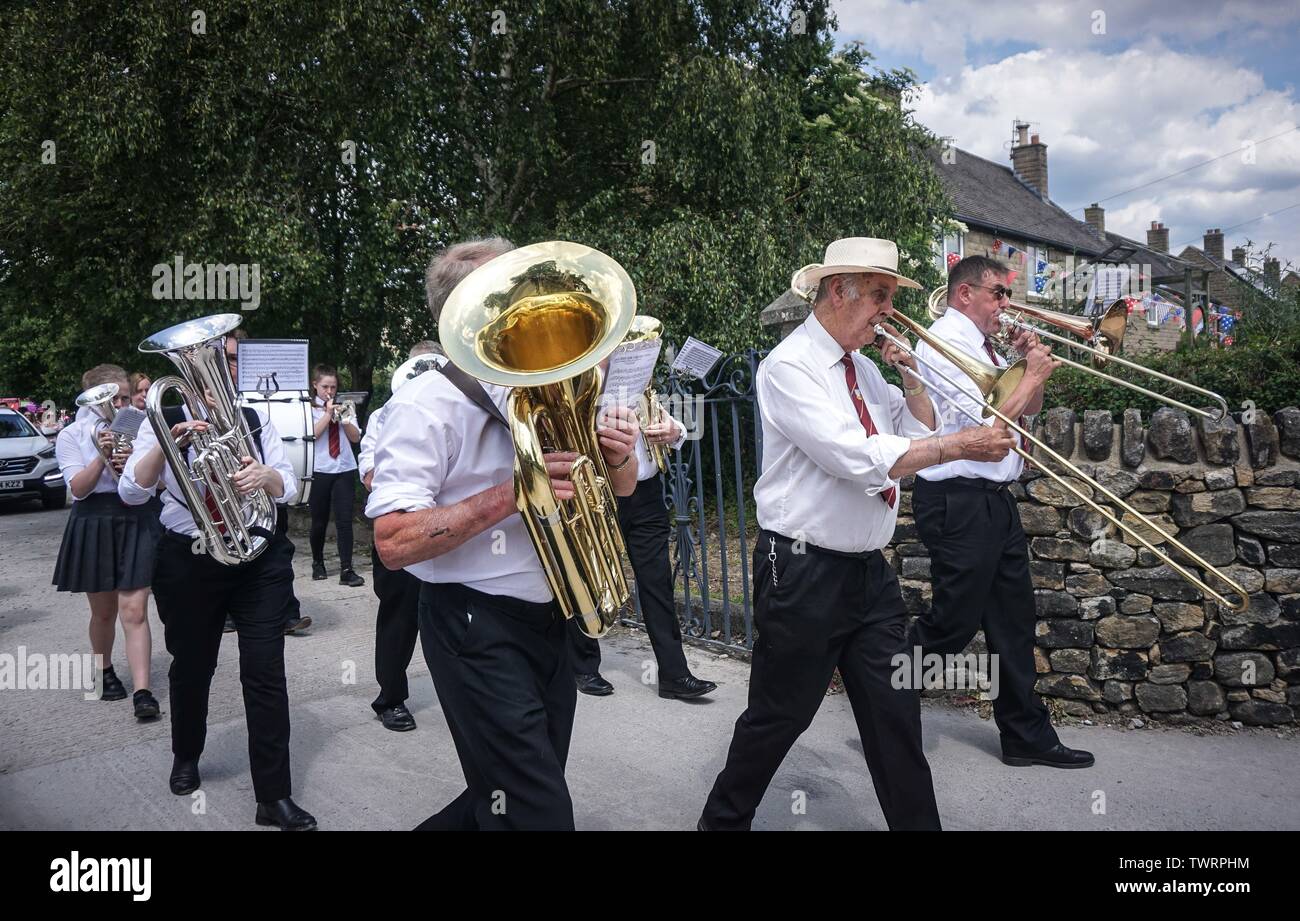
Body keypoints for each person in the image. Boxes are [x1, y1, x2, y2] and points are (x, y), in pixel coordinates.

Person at [699, 237, 1016, 831]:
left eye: (891, 296)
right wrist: (958, 446)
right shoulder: (789, 366)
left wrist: (915, 377)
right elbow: (856, 457)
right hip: (802, 569)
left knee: (896, 715)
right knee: (779, 717)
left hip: (868, 573)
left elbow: (912, 423)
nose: (888, 310)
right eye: (880, 295)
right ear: (837, 291)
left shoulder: (866, 367)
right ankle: (720, 823)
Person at [368, 238, 641, 830]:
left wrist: (619, 457)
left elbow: (620, 491)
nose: (528, 305)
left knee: (505, 796)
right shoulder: (423, 405)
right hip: (473, 625)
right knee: (538, 811)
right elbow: (392, 541)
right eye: (507, 297)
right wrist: (515, 492)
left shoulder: (549, 386)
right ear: (458, 317)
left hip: (550, 619)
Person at [120, 334, 316, 830]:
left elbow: (289, 488)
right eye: (215, 360)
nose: (221, 371)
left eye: (228, 361)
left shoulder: (253, 417)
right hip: (189, 560)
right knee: (192, 665)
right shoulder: (158, 419)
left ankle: (273, 796)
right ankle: (186, 754)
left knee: (266, 673)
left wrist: (264, 476)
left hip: (257, 557)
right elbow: (131, 492)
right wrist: (168, 446)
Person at [907, 255, 1094, 770]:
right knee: (951, 625)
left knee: (1013, 623)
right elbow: (980, 425)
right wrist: (1029, 375)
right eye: (997, 293)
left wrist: (1029, 373)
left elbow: (1026, 414)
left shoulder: (984, 345)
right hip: (958, 499)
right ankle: (880, 692)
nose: (1006, 305)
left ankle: (1025, 736)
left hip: (993, 500)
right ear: (965, 294)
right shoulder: (943, 340)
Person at [567, 394, 717, 700]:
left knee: (657, 583)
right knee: (592, 577)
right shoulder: (583, 379)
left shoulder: (635, 375)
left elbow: (659, 414)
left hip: (647, 493)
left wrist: (675, 431)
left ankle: (674, 675)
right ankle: (583, 666)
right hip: (600, 491)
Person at [52, 363, 161, 720]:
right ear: (95, 400)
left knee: (135, 610)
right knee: (103, 612)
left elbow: (157, 483)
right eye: (114, 399)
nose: (122, 406)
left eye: (125, 397)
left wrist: (133, 461)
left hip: (134, 516)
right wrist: (101, 457)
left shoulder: (136, 424)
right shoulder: (72, 434)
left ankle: (143, 691)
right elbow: (78, 489)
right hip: (93, 519)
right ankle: (103, 671)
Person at [357, 341, 443, 732]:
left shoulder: (457, 412)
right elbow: (372, 476)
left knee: (451, 616)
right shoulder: (382, 416)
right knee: (399, 617)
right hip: (406, 532)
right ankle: (390, 698)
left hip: (447, 533)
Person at [309, 364, 364, 587]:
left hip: (344, 467)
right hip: (320, 468)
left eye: (333, 387)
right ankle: (317, 562)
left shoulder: (346, 405)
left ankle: (347, 569)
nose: (329, 391)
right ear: (315, 386)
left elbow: (355, 438)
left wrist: (344, 418)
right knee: (319, 520)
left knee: (344, 520)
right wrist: (327, 413)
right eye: (325, 387)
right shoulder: (308, 407)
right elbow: (311, 435)